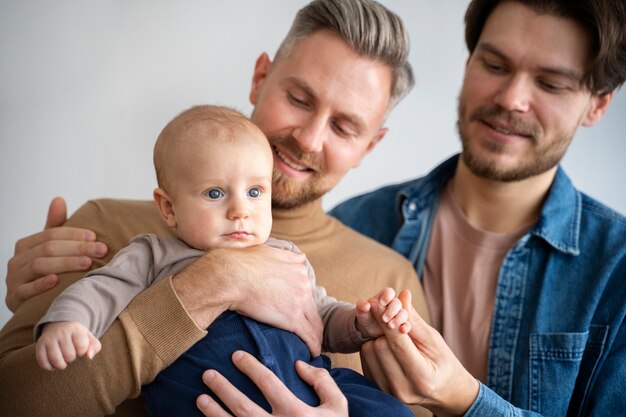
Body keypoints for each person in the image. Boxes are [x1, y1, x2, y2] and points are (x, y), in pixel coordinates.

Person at [0, 1, 431, 416]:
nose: (309, 138)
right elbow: (12, 402)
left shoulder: (388, 279)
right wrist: (215, 281)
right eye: (299, 98)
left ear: (370, 145)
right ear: (260, 78)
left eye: (343, 126)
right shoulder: (106, 229)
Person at [330, 0, 626, 416]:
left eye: (551, 84)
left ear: (597, 104)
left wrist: (464, 400)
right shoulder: (354, 223)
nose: (511, 99)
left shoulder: (618, 270)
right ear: (469, 62)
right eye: (495, 65)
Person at [34, 104, 414, 417]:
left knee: (391, 412)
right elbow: (101, 289)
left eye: (254, 191)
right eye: (215, 193)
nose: (239, 211)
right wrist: (69, 322)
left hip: (310, 386)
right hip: (205, 403)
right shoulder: (152, 254)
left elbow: (323, 319)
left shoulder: (287, 257)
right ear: (168, 207)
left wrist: (361, 322)